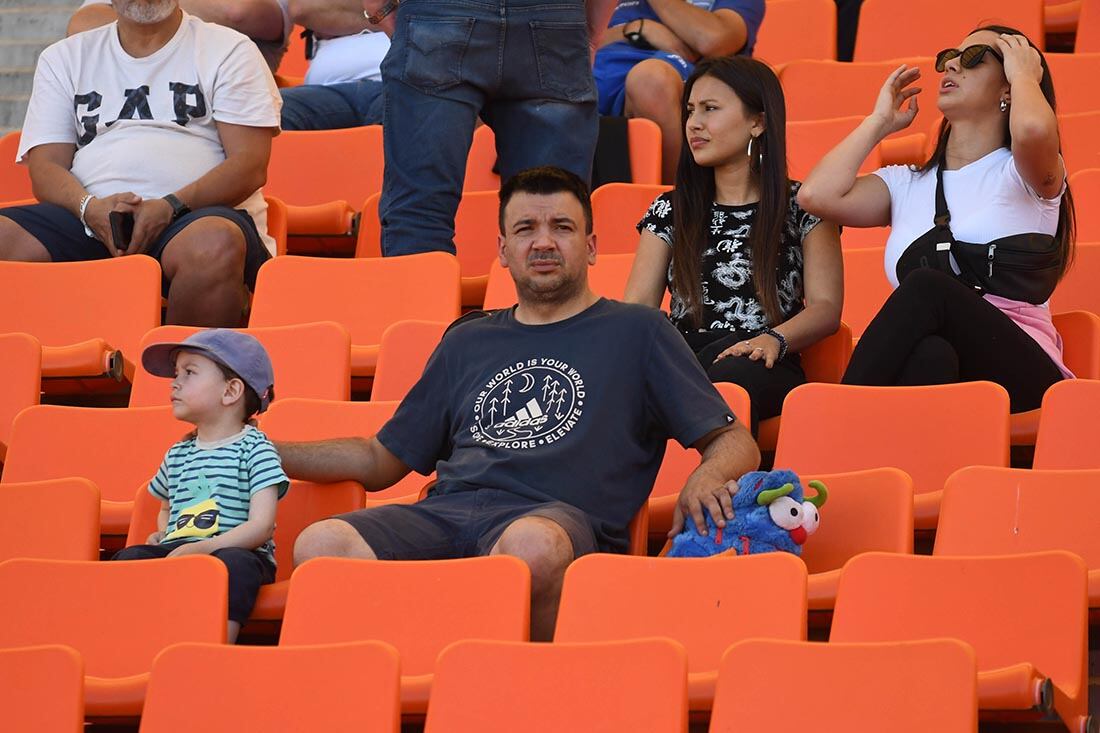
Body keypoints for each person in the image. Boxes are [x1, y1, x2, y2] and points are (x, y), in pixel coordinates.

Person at [276, 167, 761, 641]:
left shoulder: (639, 331)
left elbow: (733, 438)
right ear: (503, 251)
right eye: (525, 229)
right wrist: (268, 451)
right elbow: (381, 459)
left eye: (562, 227)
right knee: (321, 544)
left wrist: (707, 475)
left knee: (531, 544)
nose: (543, 242)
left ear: (590, 248)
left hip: (558, 518)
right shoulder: (467, 339)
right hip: (448, 513)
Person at [798, 26, 1077, 413]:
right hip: (955, 376)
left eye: (975, 57)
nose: (953, 65)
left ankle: (831, 423)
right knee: (930, 355)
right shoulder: (905, 182)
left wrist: (1026, 75)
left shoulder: (1025, 173)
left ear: (1008, 87)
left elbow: (1031, 128)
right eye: (949, 57)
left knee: (927, 285)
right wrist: (878, 122)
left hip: (1024, 374)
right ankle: (901, 463)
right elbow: (816, 196)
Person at [1, 0, 281, 327]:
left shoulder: (230, 49)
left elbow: (249, 165)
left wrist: (170, 206)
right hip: (90, 217)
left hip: (192, 216)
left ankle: (182, 375)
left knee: (213, 244)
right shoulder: (64, 57)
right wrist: (89, 208)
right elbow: (45, 167)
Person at [624, 57, 842, 433]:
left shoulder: (804, 205)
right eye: (690, 110)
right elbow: (636, 310)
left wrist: (774, 338)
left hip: (762, 357)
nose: (694, 123)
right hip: (687, 355)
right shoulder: (671, 208)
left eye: (710, 109)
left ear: (757, 122)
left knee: (727, 376)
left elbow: (826, 309)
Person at [363, 0, 619, 257]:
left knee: (420, 214)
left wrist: (381, 10)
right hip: (553, 18)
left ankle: (421, 297)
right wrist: (592, 32)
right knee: (552, 213)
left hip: (439, 15)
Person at [113, 330, 289, 643]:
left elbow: (261, 526)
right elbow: (166, 507)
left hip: (239, 552)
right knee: (129, 560)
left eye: (190, 372)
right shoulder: (177, 453)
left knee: (234, 565)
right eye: (177, 373)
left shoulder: (255, 448)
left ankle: (216, 647)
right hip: (183, 548)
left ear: (231, 391)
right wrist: (166, 533)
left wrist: (201, 548)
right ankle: (137, 647)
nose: (175, 382)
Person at [593, 0, 765, 183]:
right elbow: (574, 39)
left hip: (669, 75)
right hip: (595, 72)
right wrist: (635, 29)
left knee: (651, 80)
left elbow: (713, 39)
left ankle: (679, 201)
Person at [67, 0, 293, 73]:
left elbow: (237, 12)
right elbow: (81, 26)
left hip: (217, 114)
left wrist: (140, 9)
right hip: (131, 101)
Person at [278, 0, 390, 131]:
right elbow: (303, 8)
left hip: (402, 84)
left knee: (403, 110)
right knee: (265, 112)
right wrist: (392, 12)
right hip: (326, 90)